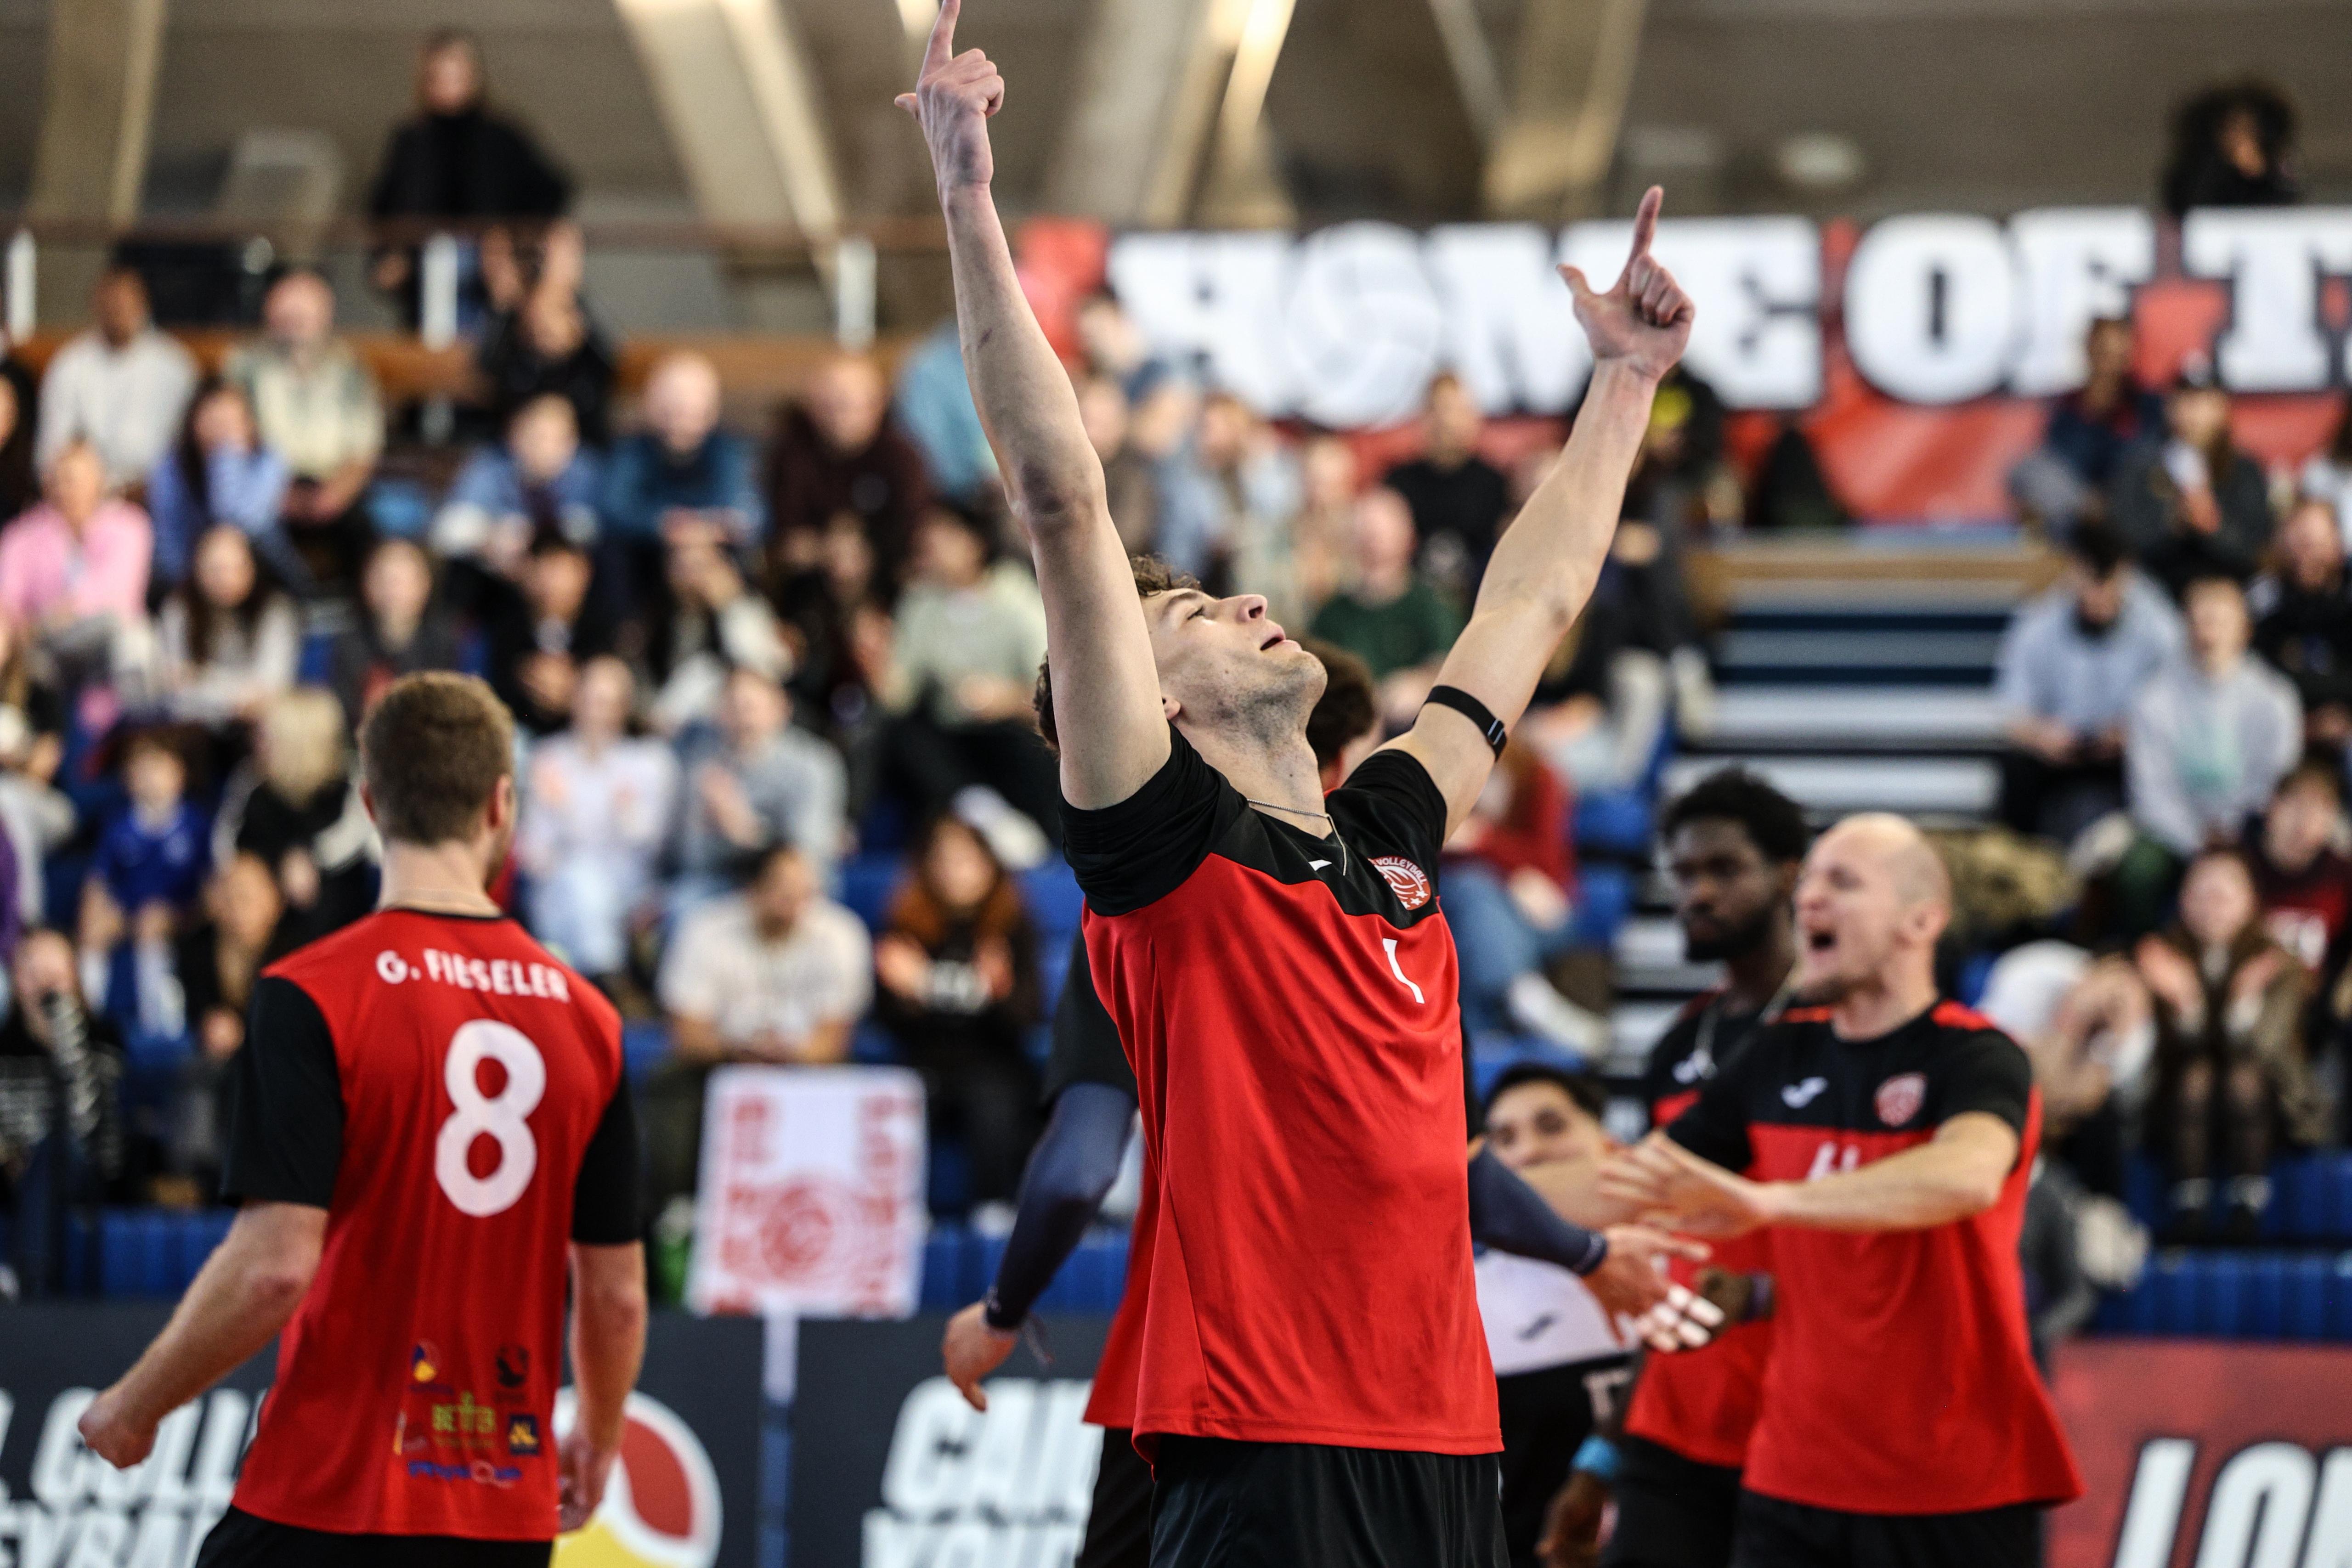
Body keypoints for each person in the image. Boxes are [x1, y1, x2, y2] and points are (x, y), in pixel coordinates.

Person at [899, 10, 1698, 1557]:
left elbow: (1527, 609)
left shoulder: (1388, 824)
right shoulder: (1162, 842)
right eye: (1197, 613)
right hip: (1266, 1439)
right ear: (1150, 710)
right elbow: (1063, 497)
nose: (1249, 601)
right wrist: (966, 191)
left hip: (1444, 1436)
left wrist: (1626, 386)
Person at [939, 643, 1707, 1568]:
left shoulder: (1165, 902)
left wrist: (1000, 1309)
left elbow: (1078, 1167)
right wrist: (1586, 1251)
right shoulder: (1391, 929)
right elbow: (1448, 1168)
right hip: (1388, 1403)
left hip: (1210, 1386)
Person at [76, 672, 646, 1565]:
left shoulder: (313, 991)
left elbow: (272, 1269)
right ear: (502, 804)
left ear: (371, 802)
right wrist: (599, 1438)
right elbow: (614, 1295)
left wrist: (135, 1405)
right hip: (502, 1505)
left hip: (330, 1490)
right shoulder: (589, 1019)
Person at [1600, 813, 2084, 1568]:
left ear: (1921, 919)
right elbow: (1629, 1180)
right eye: (1810, 879)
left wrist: (1772, 1201)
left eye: (1843, 880)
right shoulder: (1778, 1051)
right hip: (1794, 1479)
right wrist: (1455, 1182)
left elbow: (1965, 1174)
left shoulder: (1978, 1055)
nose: (1808, 896)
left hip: (1956, 1484)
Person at [1559, 768, 1807, 1568]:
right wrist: (1603, 1456)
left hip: (1805, 1426)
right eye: (1684, 873)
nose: (1697, 893)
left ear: (1790, 875)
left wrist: (1765, 1293)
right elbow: (1659, 1250)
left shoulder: (1839, 1033)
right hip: (1676, 1427)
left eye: (1724, 869)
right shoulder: (1679, 1043)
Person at [646, 842, 871, 1214]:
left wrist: (788, 1054)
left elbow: (834, 1037)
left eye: (804, 891)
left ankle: (840, 1213)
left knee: (856, 1083)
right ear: (751, 888)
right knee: (667, 1085)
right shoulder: (705, 929)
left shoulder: (841, 934)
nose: (794, 901)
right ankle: (677, 1214)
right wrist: (738, 1050)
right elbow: (686, 1034)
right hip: (721, 1062)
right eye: (782, 889)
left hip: (807, 1068)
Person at [1475, 1066, 1637, 1568]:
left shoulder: (1676, 1260)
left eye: (1551, 1126)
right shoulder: (1464, 1298)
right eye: (1503, 1139)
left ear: (1610, 1145)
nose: (1527, 1153)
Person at [2134, 845, 2323, 1241]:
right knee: (2196, 1078)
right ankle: (2190, 1204)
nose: (2210, 907)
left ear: (2250, 900)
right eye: (2200, 894)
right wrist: (2184, 1000)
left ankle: (2248, 1203)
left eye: (2222, 895)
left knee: (2242, 1078)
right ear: (2182, 900)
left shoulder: (2278, 960)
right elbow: (2163, 1055)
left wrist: (2242, 1001)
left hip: (2271, 1103)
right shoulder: (2161, 957)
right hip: (2177, 1105)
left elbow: (2264, 1049)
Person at [2117, 575, 2301, 934]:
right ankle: (2141, 953)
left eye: (2218, 621)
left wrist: (2234, 828)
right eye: (2199, 621)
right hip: (2175, 832)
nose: (2207, 633)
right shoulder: (2153, 698)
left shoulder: (2274, 699)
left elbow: (2278, 779)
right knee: (2138, 872)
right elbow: (2149, 790)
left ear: (2244, 631)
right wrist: (2196, 838)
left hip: (2251, 826)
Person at [875, 815, 1043, 1207]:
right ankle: (899, 1210)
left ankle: (994, 1207)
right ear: (926, 868)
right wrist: (906, 998)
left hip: (994, 1063)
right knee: (904, 1099)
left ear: (989, 867)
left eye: (966, 860)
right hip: (926, 1063)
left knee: (994, 1102)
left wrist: (999, 994)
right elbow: (888, 1023)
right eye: (943, 860)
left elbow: (1027, 1020)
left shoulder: (1013, 929)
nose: (954, 872)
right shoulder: (905, 927)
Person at [877, 502, 1057, 857]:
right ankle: (984, 814)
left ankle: (1048, 842)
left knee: (1026, 745)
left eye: (946, 538)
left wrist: (1004, 698)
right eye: (928, 540)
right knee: (902, 735)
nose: (933, 548)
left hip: (1009, 724)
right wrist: (877, 662)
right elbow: (897, 695)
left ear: (975, 543)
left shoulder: (1015, 594)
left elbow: (1050, 682)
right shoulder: (919, 602)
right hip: (950, 734)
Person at [367, 29, 571, 327]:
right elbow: (385, 203)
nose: (448, 87)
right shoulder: (412, 140)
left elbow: (551, 191)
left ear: (474, 77)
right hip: (428, 261)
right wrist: (392, 255)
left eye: (456, 76)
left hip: (490, 261)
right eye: (439, 77)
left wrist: (514, 245)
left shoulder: (501, 135)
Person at [1993, 520, 2181, 841]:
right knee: (2015, 768)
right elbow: (2011, 711)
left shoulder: (2159, 625)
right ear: (2073, 572)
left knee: (2161, 761)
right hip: (2059, 750)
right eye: (2089, 582)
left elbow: (2180, 697)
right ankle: (2020, 866)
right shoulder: (2038, 624)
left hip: (2129, 752)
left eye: (2107, 583)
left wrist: (2134, 730)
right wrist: (2041, 735)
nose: (2098, 597)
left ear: (2126, 574)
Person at [518, 657, 675, 994]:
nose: (594, 713)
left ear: (624, 708)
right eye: (587, 700)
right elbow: (534, 854)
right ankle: (605, 980)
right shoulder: (548, 757)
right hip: (562, 889)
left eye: (605, 703)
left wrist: (615, 813)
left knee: (587, 886)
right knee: (578, 885)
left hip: (632, 890)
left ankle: (595, 985)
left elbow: (652, 844)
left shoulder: (650, 762)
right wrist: (560, 813)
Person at [224, 271, 385, 590]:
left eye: (305, 311)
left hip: (334, 485)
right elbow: (234, 438)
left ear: (324, 314)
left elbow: (364, 450)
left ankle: (352, 627)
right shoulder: (245, 366)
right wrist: (276, 493)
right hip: (267, 486)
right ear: (270, 312)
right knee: (247, 532)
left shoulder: (350, 369)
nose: (295, 319)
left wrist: (336, 495)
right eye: (287, 311)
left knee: (369, 540)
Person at [1442, 740, 1601, 1051]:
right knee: (1471, 894)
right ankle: (1522, 995)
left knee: (1475, 911)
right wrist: (1508, 873)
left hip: (1536, 916)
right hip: (1462, 912)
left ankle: (1483, 1032)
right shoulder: (1434, 774)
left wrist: (1482, 842)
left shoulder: (1537, 775)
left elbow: (1549, 868)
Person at [0, 928, 128, 1292]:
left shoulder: (103, 1039)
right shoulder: (4, 1048)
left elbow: (93, 1127)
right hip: (14, 1179)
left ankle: (27, 1281)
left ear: (73, 978)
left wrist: (65, 1034)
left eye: (54, 975)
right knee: (41, 1156)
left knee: (55, 1148)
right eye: (33, 974)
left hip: (88, 1170)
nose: (44, 986)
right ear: (16, 981)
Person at [159, 854, 290, 1201]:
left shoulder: (296, 951)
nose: (237, 906)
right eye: (230, 895)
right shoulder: (195, 948)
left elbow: (295, 1024)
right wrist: (210, 1025)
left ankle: (249, 1179)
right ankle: (197, 1178)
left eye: (248, 896)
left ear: (274, 902)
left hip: (277, 1064)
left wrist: (248, 1033)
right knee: (198, 1071)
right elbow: (192, 1012)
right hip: (213, 1058)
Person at [0, 440, 154, 724]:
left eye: (76, 479)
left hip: (106, 646)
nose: (67, 488)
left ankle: (141, 732)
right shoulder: (21, 536)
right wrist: (42, 623)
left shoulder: (131, 526)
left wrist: (64, 612)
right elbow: (8, 603)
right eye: (59, 478)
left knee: (134, 639)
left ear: (100, 481)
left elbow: (119, 594)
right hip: (45, 648)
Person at [213, 688, 380, 947]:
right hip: (269, 916)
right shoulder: (252, 781)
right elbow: (227, 846)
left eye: (265, 736)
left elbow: (356, 835)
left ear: (297, 743)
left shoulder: (350, 780)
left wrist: (311, 858)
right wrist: (279, 861)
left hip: (341, 919)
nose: (256, 742)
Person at [670, 665, 847, 906]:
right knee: (681, 904)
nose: (743, 719)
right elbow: (691, 860)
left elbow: (807, 858)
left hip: (793, 891)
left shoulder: (814, 765)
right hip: (721, 884)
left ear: (781, 710)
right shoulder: (704, 765)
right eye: (732, 708)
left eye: (750, 708)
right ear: (718, 715)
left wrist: (747, 830)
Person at [2109, 359, 2273, 597]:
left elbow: (2257, 550)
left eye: (2203, 401)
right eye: (2184, 400)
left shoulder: (2244, 471)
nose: (2193, 412)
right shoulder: (2140, 465)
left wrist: (2214, 526)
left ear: (2221, 408)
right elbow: (2122, 540)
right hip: (2158, 590)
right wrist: (2171, 522)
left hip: (2228, 590)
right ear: (2169, 407)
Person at [79, 728, 210, 1024]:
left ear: (181, 773)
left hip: (177, 915)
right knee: (96, 927)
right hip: (127, 912)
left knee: (152, 925)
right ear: (127, 778)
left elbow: (209, 887)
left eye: (160, 768)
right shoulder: (119, 824)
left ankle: (162, 1022)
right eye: (141, 770)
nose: (151, 778)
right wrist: (96, 915)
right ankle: (89, 1016)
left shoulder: (196, 823)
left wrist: (184, 916)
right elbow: (99, 880)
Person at [765, 353, 934, 581]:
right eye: (825, 406)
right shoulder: (792, 452)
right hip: (810, 586)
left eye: (844, 406)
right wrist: (829, 550)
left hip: (888, 580)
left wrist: (864, 549)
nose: (834, 417)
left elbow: (916, 529)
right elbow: (786, 539)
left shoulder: (902, 457)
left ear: (876, 405)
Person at [1308, 485, 1464, 727]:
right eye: (1365, 530)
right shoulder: (1331, 614)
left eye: (1381, 531)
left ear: (1407, 535)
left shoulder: (1432, 605)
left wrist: (1420, 683)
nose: (1372, 539)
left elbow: (1451, 665)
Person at [34, 265, 197, 490]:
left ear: (143, 304)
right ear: (96, 305)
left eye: (126, 304)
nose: (118, 311)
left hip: (158, 496)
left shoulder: (174, 365)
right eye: (111, 305)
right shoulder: (70, 363)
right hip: (85, 496)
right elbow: (52, 450)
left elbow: (189, 449)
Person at [2007, 316, 2165, 535]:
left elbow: (2153, 463)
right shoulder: (2068, 409)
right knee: (2028, 470)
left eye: (2119, 355)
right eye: (2103, 352)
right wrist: (2087, 503)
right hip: (2079, 516)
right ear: (2089, 350)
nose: (2110, 363)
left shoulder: (2148, 406)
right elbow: (2055, 470)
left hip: (2132, 514)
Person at [598, 352, 764, 553]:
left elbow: (751, 516)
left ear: (710, 411)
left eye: (691, 412)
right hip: (647, 557)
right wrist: (664, 524)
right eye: (673, 411)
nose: (681, 424)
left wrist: (699, 529)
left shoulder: (728, 450)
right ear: (652, 407)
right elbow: (614, 509)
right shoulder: (633, 449)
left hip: (715, 555)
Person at [146, 378, 299, 592]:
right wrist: (200, 575)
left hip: (260, 568)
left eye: (231, 421)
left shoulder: (269, 459)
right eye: (214, 420)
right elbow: (168, 540)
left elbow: (237, 520)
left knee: (242, 540)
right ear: (193, 421)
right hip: (191, 576)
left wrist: (225, 458)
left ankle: (305, 601)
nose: (223, 431)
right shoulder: (172, 466)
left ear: (249, 425)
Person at [155, 524, 302, 730]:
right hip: (192, 727)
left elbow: (270, 691)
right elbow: (172, 687)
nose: (226, 579)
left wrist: (199, 679)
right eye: (216, 570)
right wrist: (238, 695)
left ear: (253, 567)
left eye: (236, 568)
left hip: (257, 729)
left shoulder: (275, 610)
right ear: (197, 568)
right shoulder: (179, 608)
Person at [433, 395, 603, 571]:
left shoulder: (586, 471)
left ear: (574, 442)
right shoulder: (490, 467)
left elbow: (595, 531)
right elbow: (447, 531)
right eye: (538, 437)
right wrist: (488, 537)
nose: (545, 449)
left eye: (558, 439)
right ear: (514, 437)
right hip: (498, 577)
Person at [1385, 372, 1512, 599]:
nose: (1446, 421)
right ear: (1422, 418)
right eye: (1437, 410)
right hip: (1411, 607)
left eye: (1455, 410)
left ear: (1473, 417)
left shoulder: (1494, 485)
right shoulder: (1398, 484)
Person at [2249, 495, 2352, 748]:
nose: (2307, 556)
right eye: (2299, 544)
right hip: (2282, 726)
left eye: (2316, 543)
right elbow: (2255, 673)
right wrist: (2303, 724)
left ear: (2338, 544)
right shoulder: (2264, 598)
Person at [328, 538, 464, 728]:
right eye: (383, 580)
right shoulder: (348, 642)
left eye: (401, 581)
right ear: (366, 584)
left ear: (425, 585)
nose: (392, 591)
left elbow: (447, 708)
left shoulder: (442, 641)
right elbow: (341, 709)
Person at [2160, 78, 2300, 216]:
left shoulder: (2279, 175)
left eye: (2248, 129)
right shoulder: (2198, 173)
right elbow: (2193, 207)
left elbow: (2286, 209)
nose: (2237, 137)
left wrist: (2258, 172)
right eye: (2231, 128)